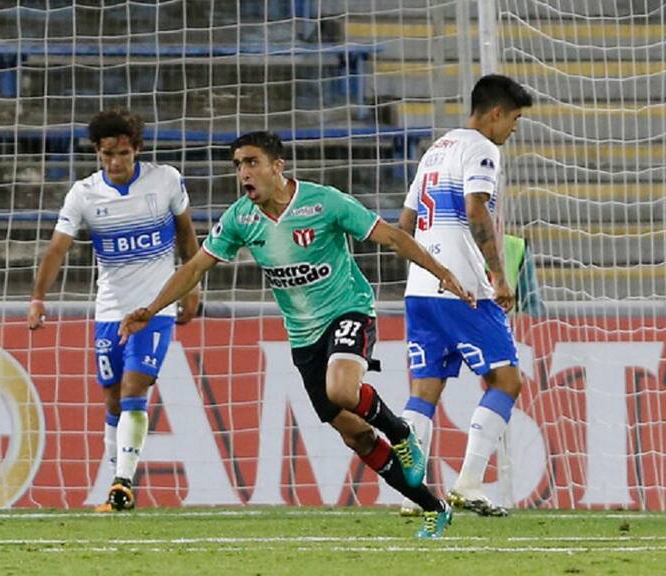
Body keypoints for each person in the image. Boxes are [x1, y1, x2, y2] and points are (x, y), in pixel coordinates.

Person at [119, 131, 476, 538]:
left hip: (349, 310)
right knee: (356, 436)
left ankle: (401, 433)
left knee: (343, 390)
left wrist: (444, 273)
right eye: (238, 165)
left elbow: (392, 236)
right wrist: (151, 309)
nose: (244, 173)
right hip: (303, 336)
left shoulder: (325, 202)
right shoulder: (241, 218)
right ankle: (434, 506)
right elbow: (196, 267)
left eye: (251, 162)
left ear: (277, 166)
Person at [27, 109, 200, 512]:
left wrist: (191, 289)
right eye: (107, 154)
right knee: (112, 400)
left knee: (134, 388)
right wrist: (38, 297)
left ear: (137, 149)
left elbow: (187, 234)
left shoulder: (166, 180)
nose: (115, 162)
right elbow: (57, 249)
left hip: (156, 307)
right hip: (109, 310)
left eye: (123, 153)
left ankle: (123, 483)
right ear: (98, 153)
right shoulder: (84, 194)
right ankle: (116, 483)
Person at [397, 74, 533, 517]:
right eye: (513, 119)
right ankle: (470, 481)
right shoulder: (481, 148)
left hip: (421, 287)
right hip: (463, 290)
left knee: (425, 389)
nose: (513, 129)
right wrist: (497, 275)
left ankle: (411, 494)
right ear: (495, 113)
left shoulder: (436, 149)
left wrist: (427, 267)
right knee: (507, 380)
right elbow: (476, 210)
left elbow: (405, 222)